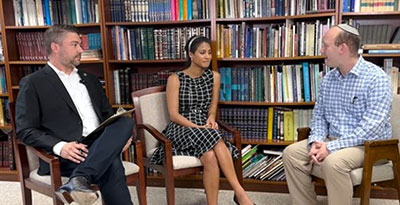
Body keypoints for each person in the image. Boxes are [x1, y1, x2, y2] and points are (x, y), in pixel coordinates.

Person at [16, 24, 134, 205]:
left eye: (80, 44)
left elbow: (108, 116)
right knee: (112, 164)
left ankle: (79, 178)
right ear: (56, 47)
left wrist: (119, 138)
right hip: (68, 153)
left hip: (99, 144)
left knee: (125, 123)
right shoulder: (33, 83)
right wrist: (60, 146)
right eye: (75, 45)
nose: (81, 49)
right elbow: (25, 130)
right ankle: (80, 178)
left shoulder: (90, 79)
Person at [282, 24, 392, 205]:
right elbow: (319, 117)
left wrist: (331, 148)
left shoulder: (376, 78)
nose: (322, 50)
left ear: (343, 48)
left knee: (334, 162)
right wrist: (316, 141)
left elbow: (370, 129)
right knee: (291, 153)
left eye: (326, 45)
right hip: (332, 140)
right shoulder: (328, 79)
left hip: (369, 145)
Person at [149, 36, 254, 205]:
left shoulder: (215, 77)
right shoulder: (175, 79)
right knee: (214, 137)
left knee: (211, 157)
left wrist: (211, 118)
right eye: (202, 52)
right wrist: (198, 127)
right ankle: (240, 193)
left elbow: (212, 107)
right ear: (191, 55)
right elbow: (174, 115)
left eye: (210, 53)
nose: (207, 57)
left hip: (204, 125)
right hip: (181, 126)